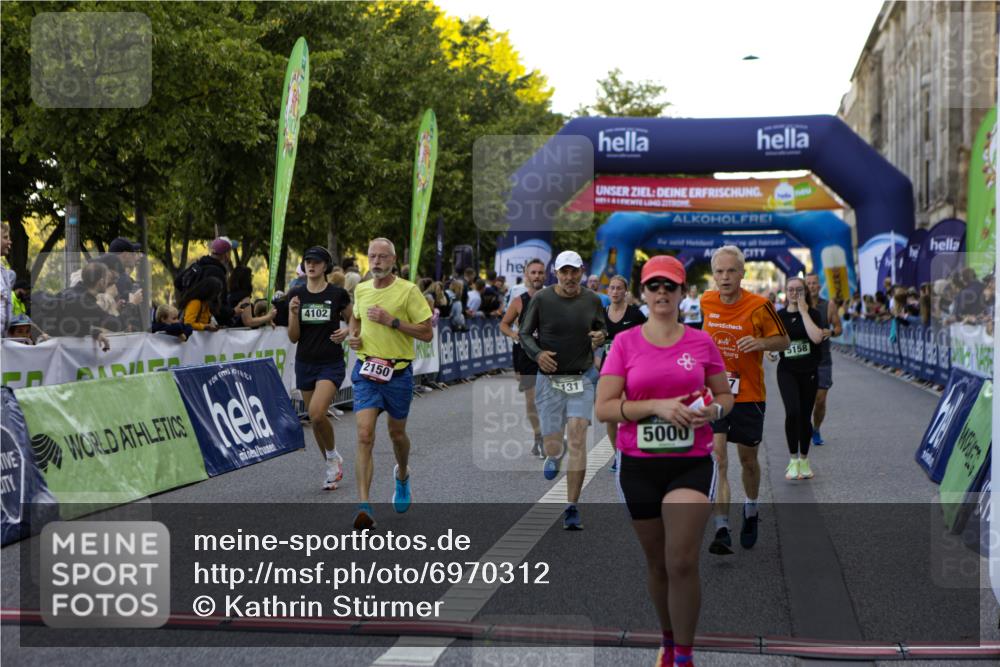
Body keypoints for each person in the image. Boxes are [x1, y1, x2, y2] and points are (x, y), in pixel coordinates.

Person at [596, 255, 733, 667]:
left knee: (681, 559)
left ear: (682, 293)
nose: (661, 293)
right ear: (644, 293)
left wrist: (711, 412)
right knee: (657, 563)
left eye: (669, 287)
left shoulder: (700, 341)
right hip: (638, 463)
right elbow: (604, 408)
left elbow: (725, 397)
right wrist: (656, 405)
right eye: (653, 286)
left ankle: (685, 657)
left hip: (690, 460)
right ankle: (669, 640)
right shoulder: (625, 343)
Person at [701, 246, 789, 555]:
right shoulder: (706, 301)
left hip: (749, 394)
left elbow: (784, 340)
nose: (725, 277)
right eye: (720, 271)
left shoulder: (759, 306)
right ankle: (721, 528)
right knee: (719, 459)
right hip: (715, 393)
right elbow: (702, 334)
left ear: (742, 273)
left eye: (731, 271)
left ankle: (751, 509)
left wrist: (762, 342)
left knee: (747, 461)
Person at [348, 238, 433, 530]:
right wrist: (353, 337)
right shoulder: (360, 289)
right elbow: (355, 321)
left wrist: (392, 321)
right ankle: (364, 506)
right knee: (364, 434)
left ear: (393, 261)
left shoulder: (408, 291)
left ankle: (403, 473)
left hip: (397, 373)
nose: (376, 261)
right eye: (372, 256)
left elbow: (426, 333)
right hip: (367, 371)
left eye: (383, 257)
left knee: (397, 435)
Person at [518, 250, 607, 530]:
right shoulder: (542, 299)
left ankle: (572, 506)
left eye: (574, 271)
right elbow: (523, 333)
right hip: (549, 379)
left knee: (579, 434)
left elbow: (602, 329)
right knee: (554, 443)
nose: (570, 277)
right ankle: (554, 453)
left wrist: (600, 336)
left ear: (582, 272)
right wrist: (537, 354)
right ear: (556, 273)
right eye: (564, 272)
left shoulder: (592, 300)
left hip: (581, 377)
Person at [287, 246, 353, 491]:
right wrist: (293, 315)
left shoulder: (337, 294)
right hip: (305, 363)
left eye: (315, 262)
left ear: (325, 266)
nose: (310, 265)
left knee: (316, 412)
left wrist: (347, 331)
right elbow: (293, 337)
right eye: (307, 261)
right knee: (316, 422)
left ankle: (333, 456)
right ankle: (331, 464)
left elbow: (354, 318)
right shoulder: (296, 294)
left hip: (330, 363)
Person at [768, 277, 824, 481]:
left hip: (809, 370)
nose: (794, 293)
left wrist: (803, 312)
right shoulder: (779, 316)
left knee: (805, 416)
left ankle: (804, 459)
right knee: (792, 412)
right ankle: (792, 460)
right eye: (790, 290)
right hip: (787, 371)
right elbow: (772, 344)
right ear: (785, 292)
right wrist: (770, 352)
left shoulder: (814, 314)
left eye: (798, 290)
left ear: (804, 292)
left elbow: (817, 337)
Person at [499, 258, 547, 458]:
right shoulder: (519, 301)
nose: (537, 276)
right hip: (526, 355)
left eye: (540, 272)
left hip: (549, 353)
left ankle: (550, 433)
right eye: (533, 272)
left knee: (549, 399)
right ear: (527, 275)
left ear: (545, 275)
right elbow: (504, 324)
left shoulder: (553, 298)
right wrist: (514, 335)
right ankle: (539, 436)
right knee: (532, 399)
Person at [600, 274, 646, 470]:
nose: (615, 291)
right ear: (608, 291)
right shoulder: (601, 313)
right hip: (608, 371)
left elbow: (647, 338)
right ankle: (618, 454)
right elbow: (594, 340)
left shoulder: (635, 314)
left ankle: (634, 452)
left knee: (629, 415)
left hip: (631, 371)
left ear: (625, 292)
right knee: (611, 417)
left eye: (619, 288)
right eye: (612, 288)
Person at [804, 273, 842, 447]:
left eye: (814, 283)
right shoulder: (800, 306)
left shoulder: (829, 305)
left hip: (823, 360)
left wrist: (831, 332)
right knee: (806, 400)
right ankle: (805, 427)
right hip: (803, 359)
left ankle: (816, 428)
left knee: (820, 400)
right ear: (805, 286)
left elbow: (838, 328)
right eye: (809, 283)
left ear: (819, 286)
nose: (812, 286)